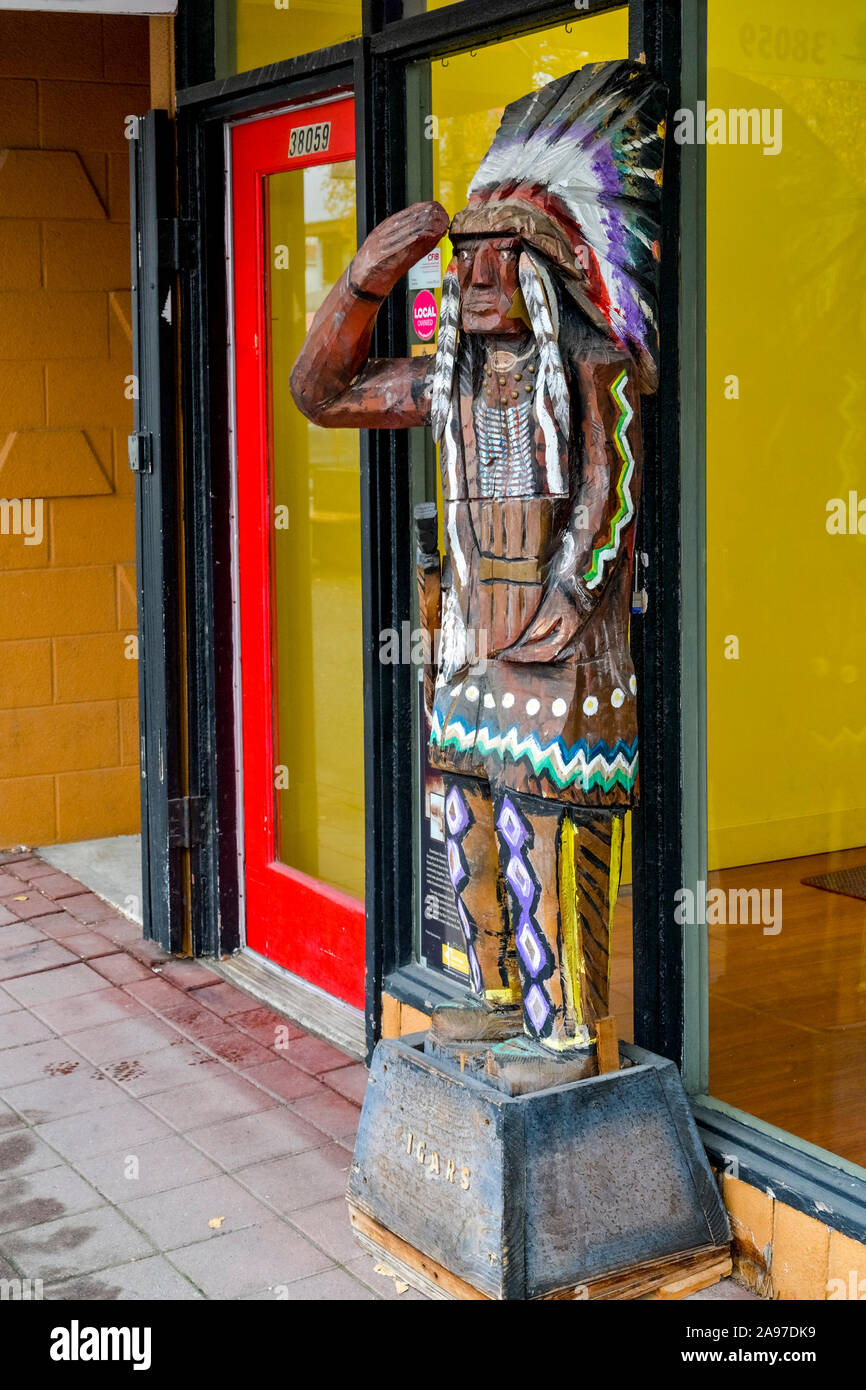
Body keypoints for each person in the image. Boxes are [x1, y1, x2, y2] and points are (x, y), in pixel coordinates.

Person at [291, 59, 666, 1058]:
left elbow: (607, 491)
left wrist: (567, 594)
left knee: (546, 826)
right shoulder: (447, 380)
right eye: (463, 259)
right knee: (463, 819)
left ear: (545, 271)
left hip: (560, 655)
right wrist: (366, 276)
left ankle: (565, 1032)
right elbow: (319, 394)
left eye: (500, 258)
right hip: (470, 647)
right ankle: (495, 990)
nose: (475, 274)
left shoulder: (591, 367)